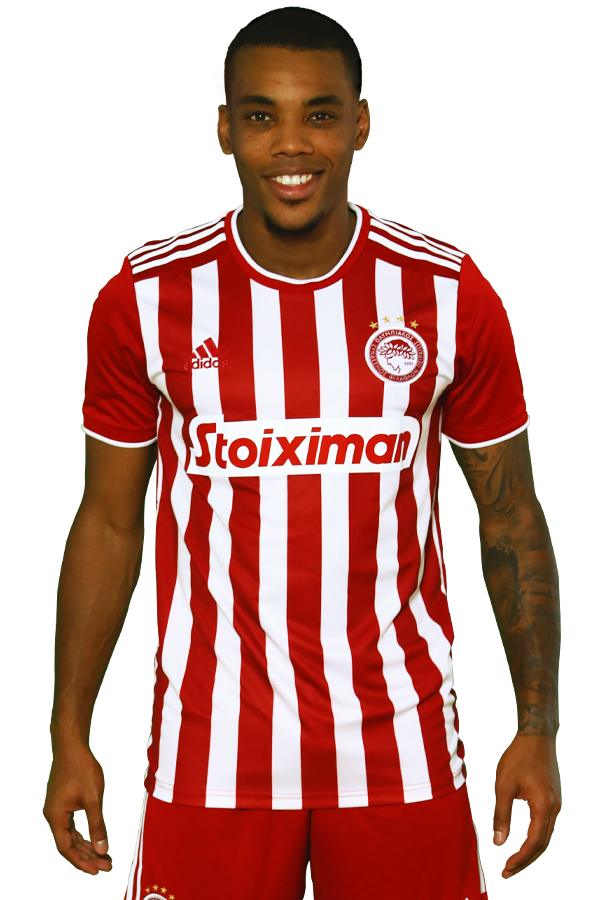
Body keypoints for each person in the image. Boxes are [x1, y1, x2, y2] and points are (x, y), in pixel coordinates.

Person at [44, 8, 560, 900]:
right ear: (225, 128)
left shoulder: (446, 293)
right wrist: (70, 733)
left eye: (319, 114)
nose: (291, 144)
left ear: (360, 124)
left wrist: (536, 726)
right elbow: (109, 523)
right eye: (261, 115)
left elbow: (508, 518)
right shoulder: (148, 297)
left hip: (401, 742)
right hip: (211, 745)